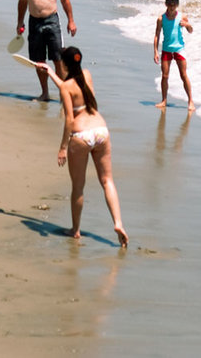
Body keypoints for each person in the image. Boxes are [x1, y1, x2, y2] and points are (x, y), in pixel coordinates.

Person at [45, 47, 128, 248]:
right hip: (101, 130)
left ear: (64, 65)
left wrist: (63, 147)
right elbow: (72, 86)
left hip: (81, 135)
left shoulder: (66, 87)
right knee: (107, 181)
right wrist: (50, 73)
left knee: (78, 186)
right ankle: (118, 223)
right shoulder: (87, 75)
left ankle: (75, 230)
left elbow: (69, 119)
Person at [17, 0, 76, 101]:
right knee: (39, 61)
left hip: (52, 21)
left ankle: (65, 95)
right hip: (34, 22)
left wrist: (71, 20)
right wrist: (20, 22)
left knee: (58, 59)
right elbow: (23, 1)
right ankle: (45, 93)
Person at [153, 0, 195, 111]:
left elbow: (191, 30)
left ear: (177, 5)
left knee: (183, 75)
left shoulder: (182, 17)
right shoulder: (161, 19)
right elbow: (157, 35)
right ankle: (164, 100)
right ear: (166, 4)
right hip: (166, 49)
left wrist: (187, 25)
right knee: (165, 76)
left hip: (179, 50)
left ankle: (190, 100)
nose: (172, 6)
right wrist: (155, 51)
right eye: (170, 4)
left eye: (174, 4)